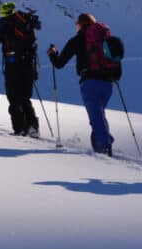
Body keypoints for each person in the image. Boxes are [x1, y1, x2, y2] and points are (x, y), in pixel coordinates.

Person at [46, 13, 118, 156]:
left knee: (96, 118)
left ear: (81, 24)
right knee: (99, 115)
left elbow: (59, 63)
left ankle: (104, 149)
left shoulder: (78, 39)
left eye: (77, 23)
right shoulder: (104, 38)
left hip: (90, 83)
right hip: (108, 83)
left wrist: (53, 54)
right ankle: (104, 141)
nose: (76, 26)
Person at [0, 1, 41, 137]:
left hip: (13, 66)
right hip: (29, 65)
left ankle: (19, 128)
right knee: (25, 98)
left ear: (3, 12)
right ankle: (33, 127)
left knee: (14, 97)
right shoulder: (26, 23)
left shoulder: (3, 26)